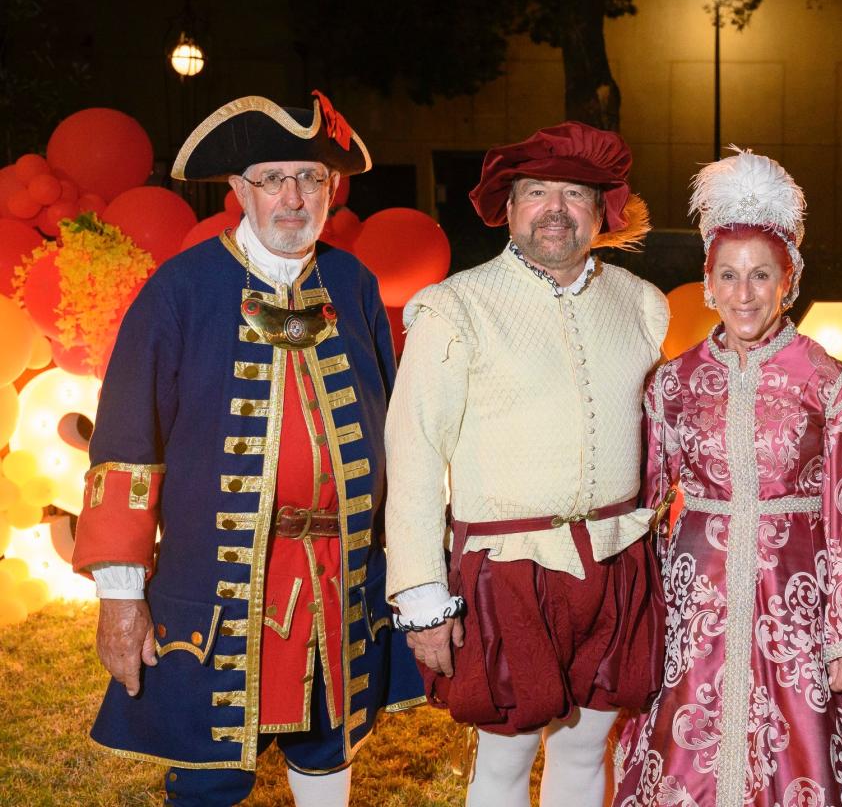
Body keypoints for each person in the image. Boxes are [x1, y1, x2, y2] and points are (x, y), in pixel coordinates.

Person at [70, 91, 424, 805]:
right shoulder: (182, 288)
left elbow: (399, 437)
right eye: (272, 179)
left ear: (333, 188)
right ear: (239, 190)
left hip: (337, 580)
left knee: (329, 754)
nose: (293, 197)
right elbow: (125, 448)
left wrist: (413, 572)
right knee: (211, 776)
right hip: (218, 588)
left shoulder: (353, 285)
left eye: (311, 178)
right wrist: (120, 597)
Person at [614, 149, 842, 807]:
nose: (744, 294)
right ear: (708, 284)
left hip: (801, 608)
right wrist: (637, 615)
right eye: (728, 276)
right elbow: (643, 507)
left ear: (788, 281)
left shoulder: (833, 387)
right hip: (696, 611)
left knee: (802, 751)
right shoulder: (672, 384)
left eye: (761, 275)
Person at [384, 120, 669, 807]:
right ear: (508, 208)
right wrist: (421, 596)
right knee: (506, 756)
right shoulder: (454, 308)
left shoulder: (642, 304)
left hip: (616, 561)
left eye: (574, 193)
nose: (555, 209)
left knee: (587, 747)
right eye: (537, 192)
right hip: (506, 569)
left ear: (599, 211)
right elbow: (414, 453)